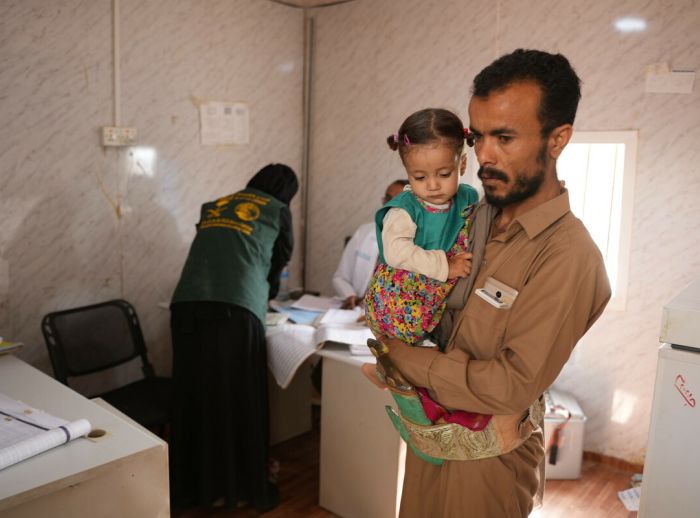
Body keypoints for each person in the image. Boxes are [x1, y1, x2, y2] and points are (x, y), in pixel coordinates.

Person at [363, 49, 611, 517]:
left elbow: (508, 386)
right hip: (426, 446)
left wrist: (399, 358)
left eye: (505, 137)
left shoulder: (569, 256)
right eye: (477, 137)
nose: (484, 155)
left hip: (486, 470)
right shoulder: (471, 214)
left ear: (557, 140)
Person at [169, 163, 298, 512]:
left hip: (185, 307)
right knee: (238, 397)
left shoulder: (215, 205)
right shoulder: (277, 211)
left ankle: (195, 488)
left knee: (196, 396)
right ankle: (240, 489)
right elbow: (277, 262)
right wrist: (265, 297)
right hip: (234, 312)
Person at [364, 108, 478, 345]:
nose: (433, 185)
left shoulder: (468, 198)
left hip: (435, 298)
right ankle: (388, 367)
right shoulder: (404, 209)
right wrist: (445, 265)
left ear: (463, 165)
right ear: (408, 173)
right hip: (399, 299)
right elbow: (397, 252)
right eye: (420, 177)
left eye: (444, 174)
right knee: (405, 348)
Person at [332, 179, 408, 309]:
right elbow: (340, 277)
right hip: (355, 311)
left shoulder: (421, 243)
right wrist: (350, 295)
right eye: (388, 199)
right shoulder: (364, 232)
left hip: (391, 317)